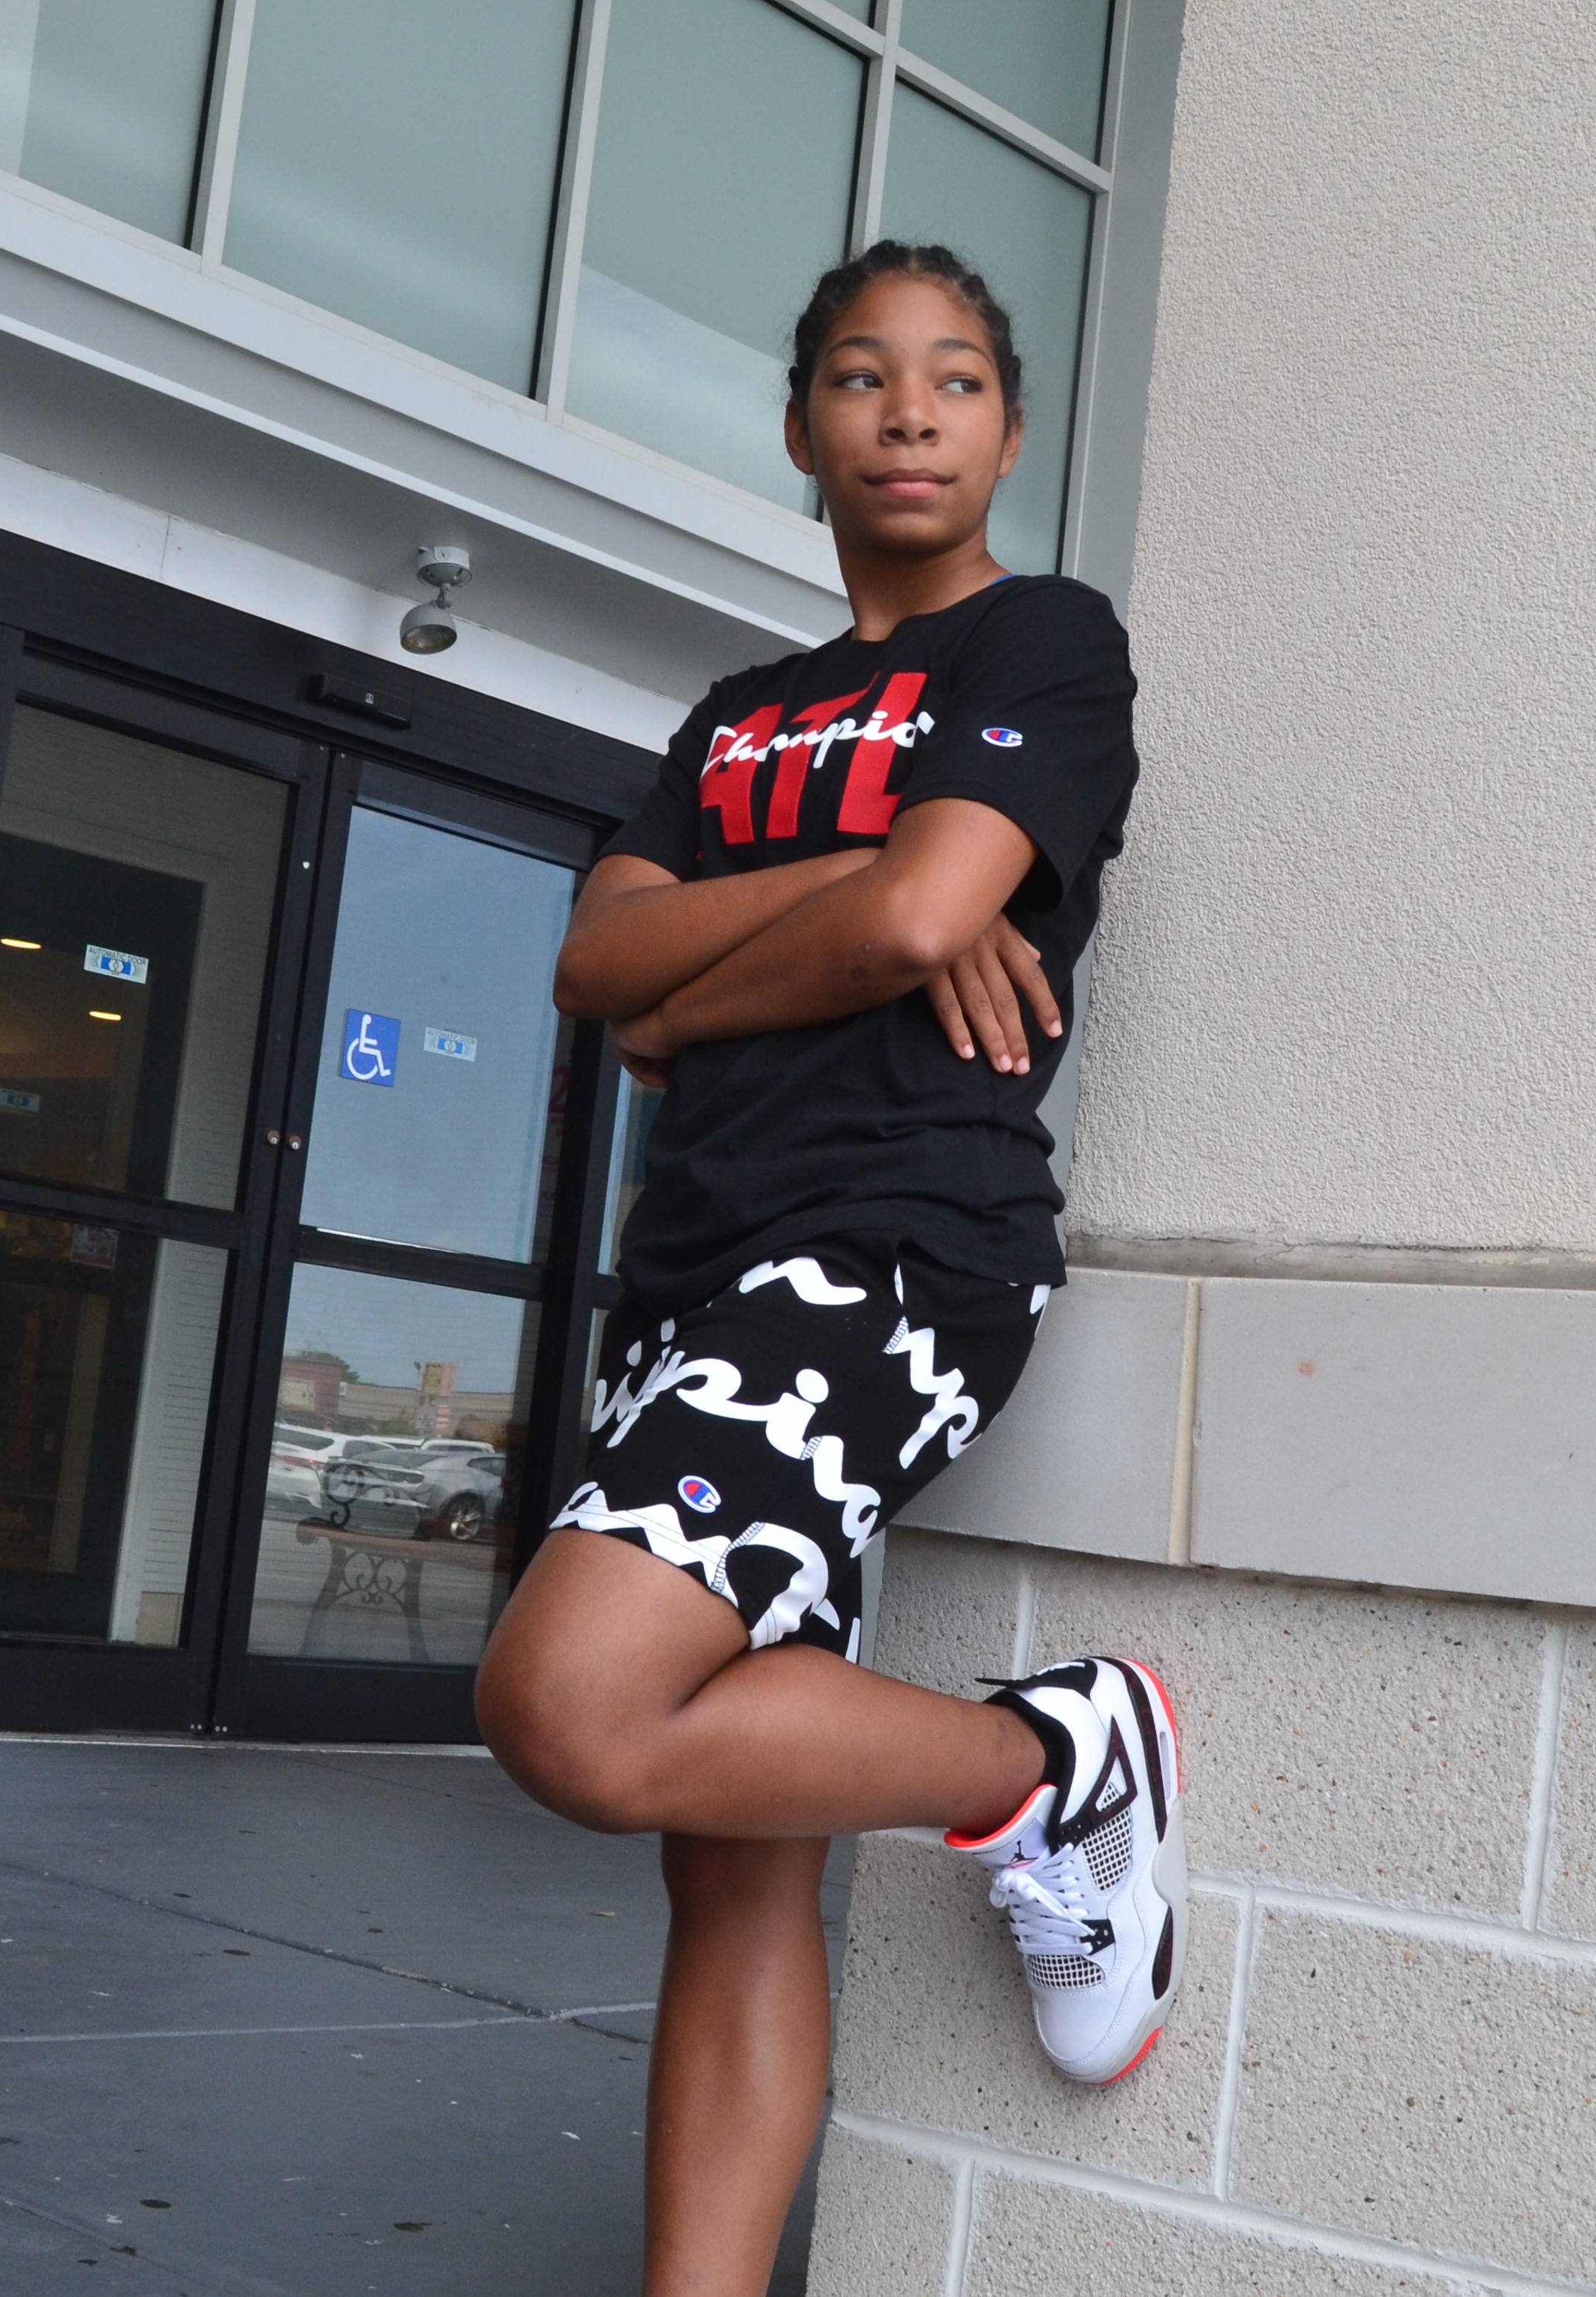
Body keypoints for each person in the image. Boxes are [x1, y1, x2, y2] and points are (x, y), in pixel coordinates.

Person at [475, 242, 1185, 2297]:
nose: (908, 411)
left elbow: (919, 925)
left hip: (891, 1244)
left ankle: (1059, 1760)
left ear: (1010, 432)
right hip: (690, 1276)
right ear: (801, 425)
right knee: (729, 1874)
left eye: (955, 379)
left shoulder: (1047, 643)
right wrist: (847, 879)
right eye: (863, 377)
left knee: (573, 1709)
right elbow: (593, 958)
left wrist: (709, 987)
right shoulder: (735, 719)